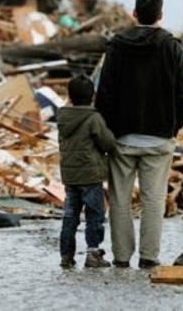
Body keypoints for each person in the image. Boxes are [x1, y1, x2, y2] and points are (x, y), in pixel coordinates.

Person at [95, 0, 183, 269]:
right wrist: (174, 127)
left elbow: (105, 94)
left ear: (135, 13)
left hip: (122, 137)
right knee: (154, 200)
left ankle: (121, 256)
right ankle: (149, 256)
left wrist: (107, 131)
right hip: (159, 138)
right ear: (160, 14)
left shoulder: (117, 47)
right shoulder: (173, 47)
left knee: (120, 200)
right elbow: (181, 93)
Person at [58, 73, 116, 269]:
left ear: (70, 95)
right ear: (92, 96)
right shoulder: (94, 118)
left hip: (70, 175)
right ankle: (93, 254)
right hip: (91, 175)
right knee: (94, 215)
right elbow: (107, 143)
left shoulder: (63, 117)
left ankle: (66, 255)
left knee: (70, 216)